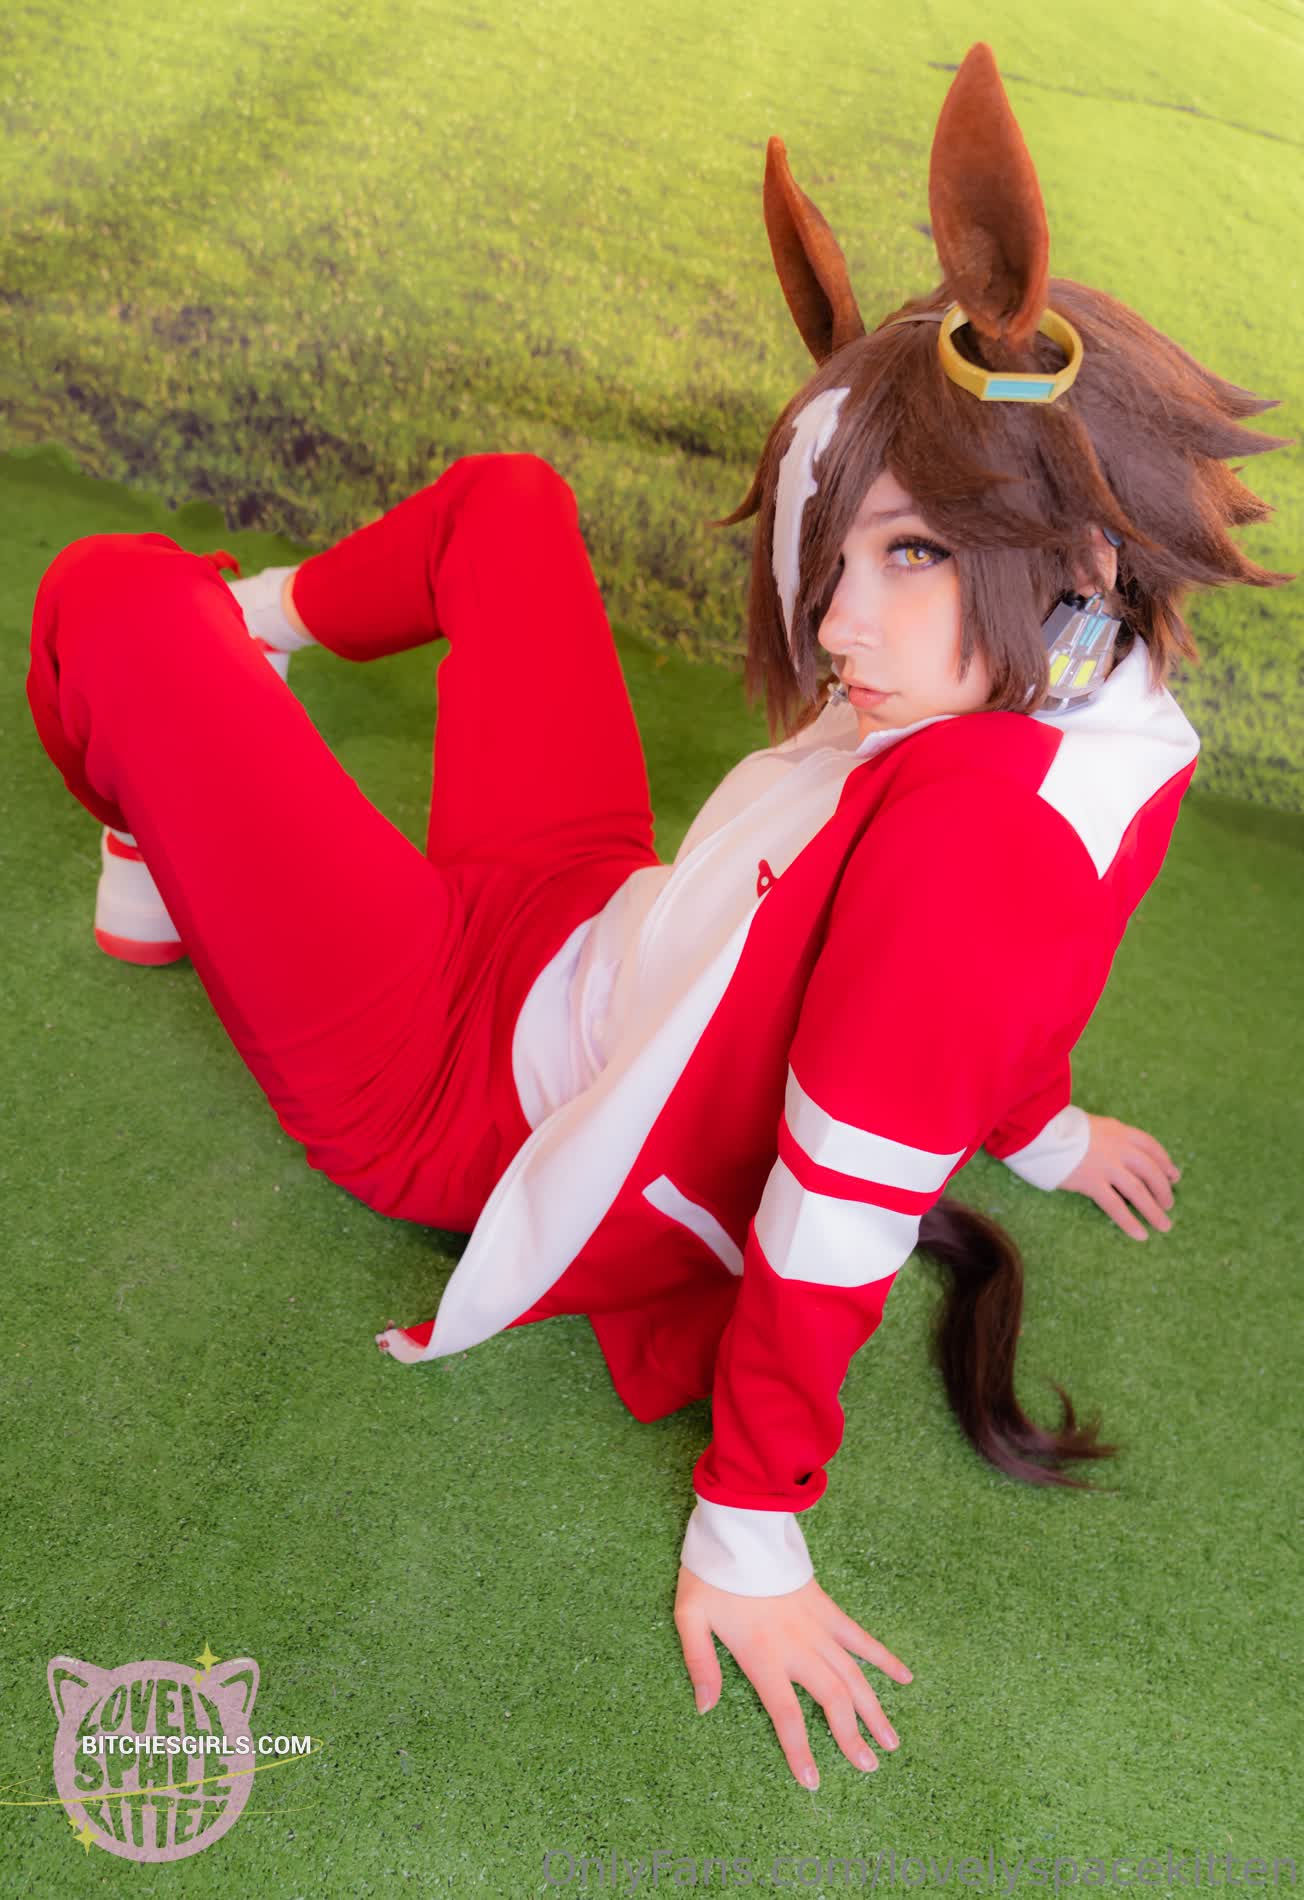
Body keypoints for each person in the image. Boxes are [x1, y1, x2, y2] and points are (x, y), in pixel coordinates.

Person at [25, 43, 1291, 1790]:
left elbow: (845, 1201)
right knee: (511, 506)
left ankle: (147, 810)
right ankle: (240, 651)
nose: (837, 626)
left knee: (105, 593)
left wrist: (750, 1532)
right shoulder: (1119, 702)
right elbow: (1051, 970)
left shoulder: (987, 830)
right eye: (847, 551)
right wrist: (1043, 1125)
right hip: (593, 911)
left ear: (1074, 555)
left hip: (454, 1081)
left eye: (911, 554)